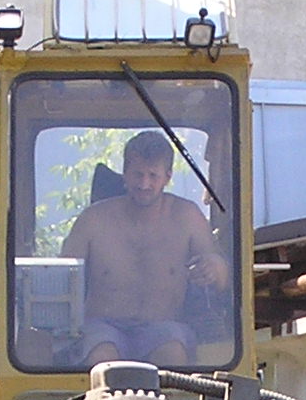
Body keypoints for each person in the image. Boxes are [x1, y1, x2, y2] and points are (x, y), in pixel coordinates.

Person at [59, 129, 229, 366]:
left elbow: (223, 277)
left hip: (163, 329)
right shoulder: (93, 220)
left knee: (173, 354)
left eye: (153, 175)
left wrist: (213, 268)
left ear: (168, 176)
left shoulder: (188, 217)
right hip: (102, 328)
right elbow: (61, 278)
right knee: (102, 359)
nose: (144, 184)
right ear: (125, 173)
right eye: (137, 174)